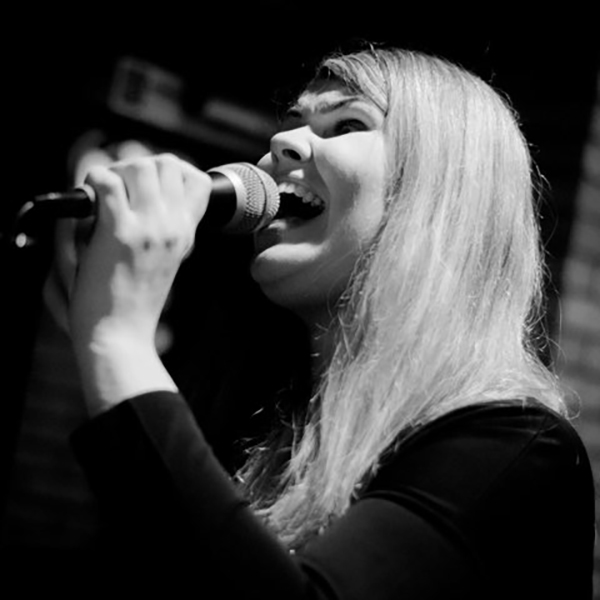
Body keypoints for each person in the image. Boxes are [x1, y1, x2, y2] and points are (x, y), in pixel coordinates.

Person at [55, 47, 594, 598]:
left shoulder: (515, 449)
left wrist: (118, 340)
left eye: (348, 124)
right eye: (291, 122)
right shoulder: (261, 414)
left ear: (438, 198)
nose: (281, 142)